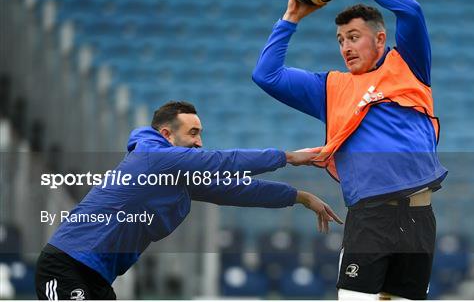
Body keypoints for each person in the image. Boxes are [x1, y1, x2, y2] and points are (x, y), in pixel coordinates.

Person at [252, 0, 448, 300]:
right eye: (341, 40)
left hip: (420, 218)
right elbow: (266, 75)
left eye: (354, 36)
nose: (346, 46)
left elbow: (411, 10)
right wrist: (292, 16)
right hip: (370, 216)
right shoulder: (331, 88)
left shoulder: (409, 66)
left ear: (380, 39)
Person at [35, 100, 342, 300]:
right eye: (193, 133)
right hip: (66, 265)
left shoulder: (179, 177)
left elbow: (236, 190)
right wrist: (287, 157)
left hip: (97, 277)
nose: (200, 141)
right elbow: (223, 161)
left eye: (201, 134)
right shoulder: (153, 156)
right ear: (167, 134)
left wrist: (298, 196)